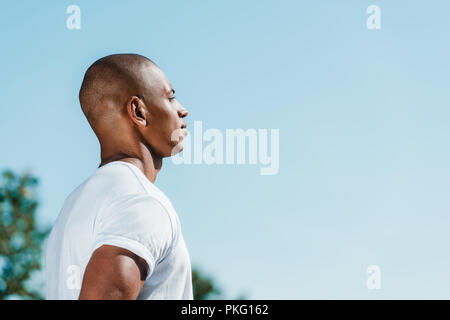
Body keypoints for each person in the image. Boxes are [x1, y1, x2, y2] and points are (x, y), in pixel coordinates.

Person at [45, 53, 192, 300]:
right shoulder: (141, 202)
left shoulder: (73, 207)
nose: (182, 110)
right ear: (138, 111)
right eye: (170, 97)